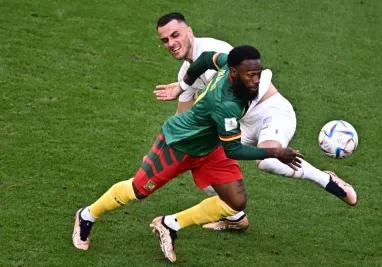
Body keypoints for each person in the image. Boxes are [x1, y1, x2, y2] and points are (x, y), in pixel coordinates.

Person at [72, 45, 303, 263]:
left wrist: (183, 86)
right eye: (250, 75)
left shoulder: (226, 64)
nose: (256, 80)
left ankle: (170, 224)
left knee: (236, 201)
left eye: (258, 73)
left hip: (211, 147)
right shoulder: (226, 104)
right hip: (179, 144)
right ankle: (87, 215)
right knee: (138, 190)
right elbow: (234, 149)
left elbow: (203, 59)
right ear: (233, 72)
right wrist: (274, 152)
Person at [154, 12, 358, 231]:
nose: (172, 43)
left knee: (268, 161)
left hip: (270, 112)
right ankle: (235, 217)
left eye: (175, 35)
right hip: (240, 125)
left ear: (189, 31)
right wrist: (171, 149)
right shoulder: (186, 73)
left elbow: (227, 99)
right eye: (165, 40)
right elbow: (183, 119)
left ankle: (327, 180)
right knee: (203, 158)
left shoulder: (215, 51)